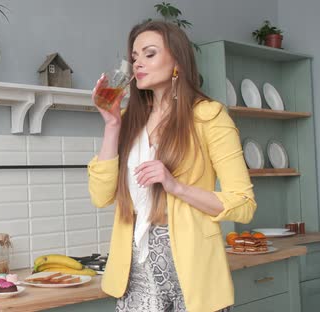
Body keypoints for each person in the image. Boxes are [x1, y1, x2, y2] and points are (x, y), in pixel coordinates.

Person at [88, 20, 256, 312]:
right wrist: (112, 124)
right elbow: (100, 195)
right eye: (135, 57)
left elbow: (243, 204)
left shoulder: (209, 116)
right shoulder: (129, 119)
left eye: (149, 54)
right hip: (134, 272)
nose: (138, 63)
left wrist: (175, 186)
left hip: (191, 271)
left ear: (177, 60)